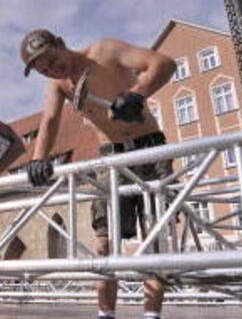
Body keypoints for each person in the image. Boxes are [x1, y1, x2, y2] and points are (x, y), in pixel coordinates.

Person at [19, 29, 176, 319]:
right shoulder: (59, 85)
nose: (53, 70)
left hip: (150, 148)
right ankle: (105, 315)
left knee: (155, 239)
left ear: (62, 44)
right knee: (103, 243)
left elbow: (164, 64)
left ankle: (151, 316)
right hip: (112, 158)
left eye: (52, 61)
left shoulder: (105, 51)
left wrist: (137, 95)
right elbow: (50, 121)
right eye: (44, 70)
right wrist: (38, 159)